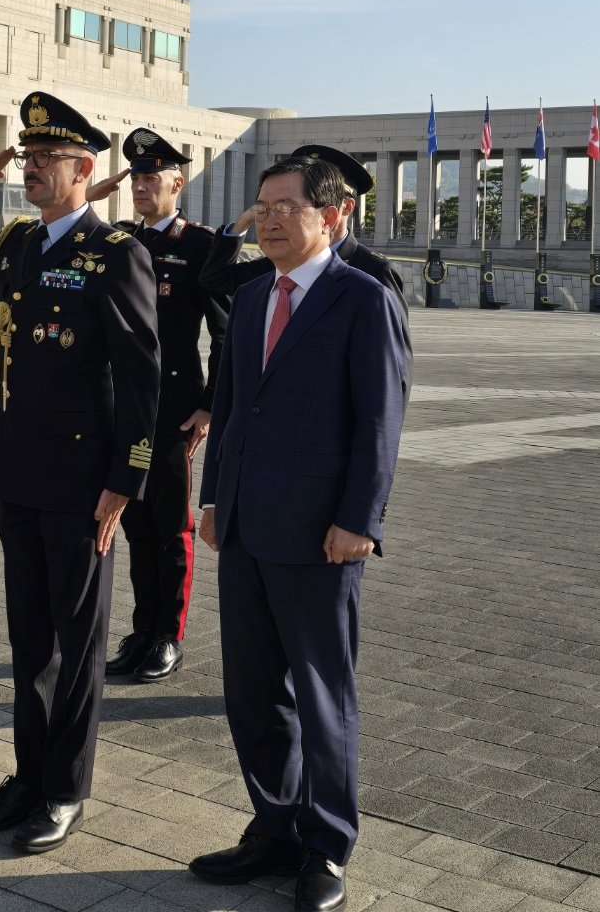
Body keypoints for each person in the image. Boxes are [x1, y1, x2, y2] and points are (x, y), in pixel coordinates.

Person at [0, 90, 160, 854]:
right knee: (30, 640)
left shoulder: (117, 253)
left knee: (78, 641)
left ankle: (64, 789)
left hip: (84, 483)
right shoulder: (17, 245)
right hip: (16, 472)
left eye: (45, 159)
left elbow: (143, 377)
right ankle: (26, 777)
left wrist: (127, 479)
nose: (30, 169)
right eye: (26, 158)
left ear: (85, 169)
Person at [191, 156, 406, 912]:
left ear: (333, 217)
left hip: (322, 536)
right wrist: (214, 500)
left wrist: (360, 521)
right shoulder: (252, 297)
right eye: (263, 206)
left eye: (286, 206)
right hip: (246, 526)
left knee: (321, 696)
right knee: (251, 692)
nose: (270, 219)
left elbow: (380, 422)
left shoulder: (362, 299)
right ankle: (273, 827)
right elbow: (232, 406)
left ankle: (326, 846)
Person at [87, 129, 230, 682]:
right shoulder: (117, 238)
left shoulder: (199, 247)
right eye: (136, 178)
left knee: (169, 526)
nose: (143, 186)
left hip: (173, 409)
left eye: (154, 177)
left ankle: (167, 634)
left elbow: (226, 335)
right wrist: (94, 196)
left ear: (178, 182)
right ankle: (141, 629)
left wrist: (209, 406)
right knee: (133, 522)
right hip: (120, 408)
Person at [199, 144, 411, 385]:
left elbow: (393, 373)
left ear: (343, 207)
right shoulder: (279, 262)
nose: (273, 220)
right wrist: (244, 223)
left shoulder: (372, 272)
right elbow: (215, 279)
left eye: (288, 207)